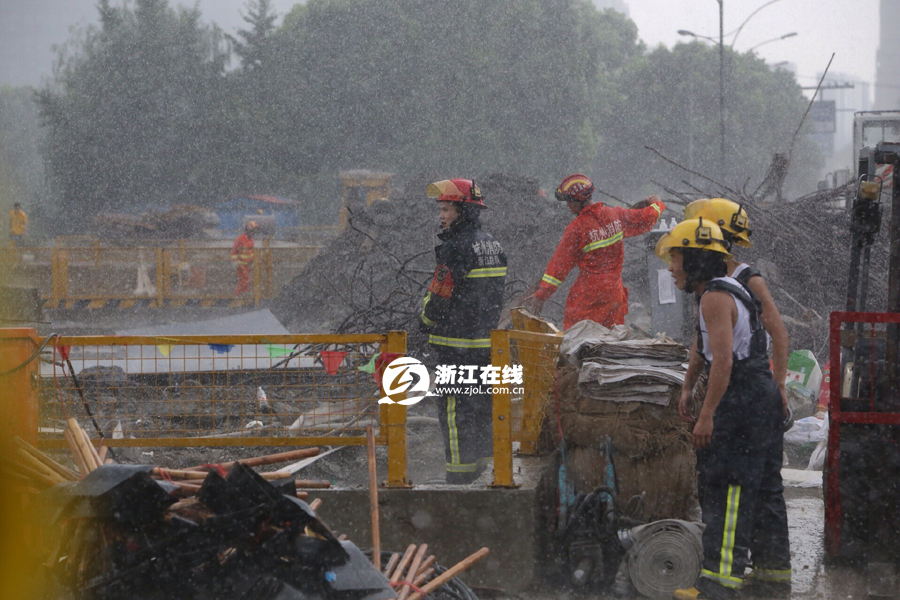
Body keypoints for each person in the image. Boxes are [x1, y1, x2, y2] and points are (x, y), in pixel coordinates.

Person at [655, 219, 790, 600]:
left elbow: (725, 362)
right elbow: (706, 347)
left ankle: (718, 584)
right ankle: (773, 575)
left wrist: (707, 413)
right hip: (760, 394)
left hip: (742, 396)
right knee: (765, 488)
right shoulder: (729, 288)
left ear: (696, 260)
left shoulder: (714, 297)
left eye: (676, 258)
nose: (671, 268)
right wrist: (686, 386)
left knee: (727, 486)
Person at [420, 178, 507, 484]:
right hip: (486, 345)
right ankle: (485, 473)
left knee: (455, 411)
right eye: (440, 209)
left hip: (454, 345)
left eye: (446, 209)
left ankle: (458, 477)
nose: (441, 216)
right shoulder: (493, 244)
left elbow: (439, 296)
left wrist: (425, 322)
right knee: (483, 408)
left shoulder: (455, 247)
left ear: (463, 210)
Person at [682, 198, 790, 413]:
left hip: (749, 381)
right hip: (721, 382)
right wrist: (688, 386)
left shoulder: (749, 280)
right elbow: (702, 339)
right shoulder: (705, 284)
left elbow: (779, 334)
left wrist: (779, 387)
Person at [523, 174, 665, 329]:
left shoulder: (577, 229)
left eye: (569, 201)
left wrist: (541, 295)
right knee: (610, 343)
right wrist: (656, 202)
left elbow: (559, 267)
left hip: (589, 298)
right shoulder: (615, 215)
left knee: (579, 341)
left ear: (579, 201)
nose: (568, 206)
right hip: (614, 294)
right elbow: (648, 217)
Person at [231, 220, 258, 296]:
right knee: (245, 281)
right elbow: (234, 251)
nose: (254, 233)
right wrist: (236, 262)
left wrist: (253, 261)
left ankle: (243, 297)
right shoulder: (240, 239)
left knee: (246, 282)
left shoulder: (251, 241)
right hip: (240, 265)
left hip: (247, 265)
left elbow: (250, 253)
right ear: (249, 230)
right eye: (253, 231)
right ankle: (236, 297)